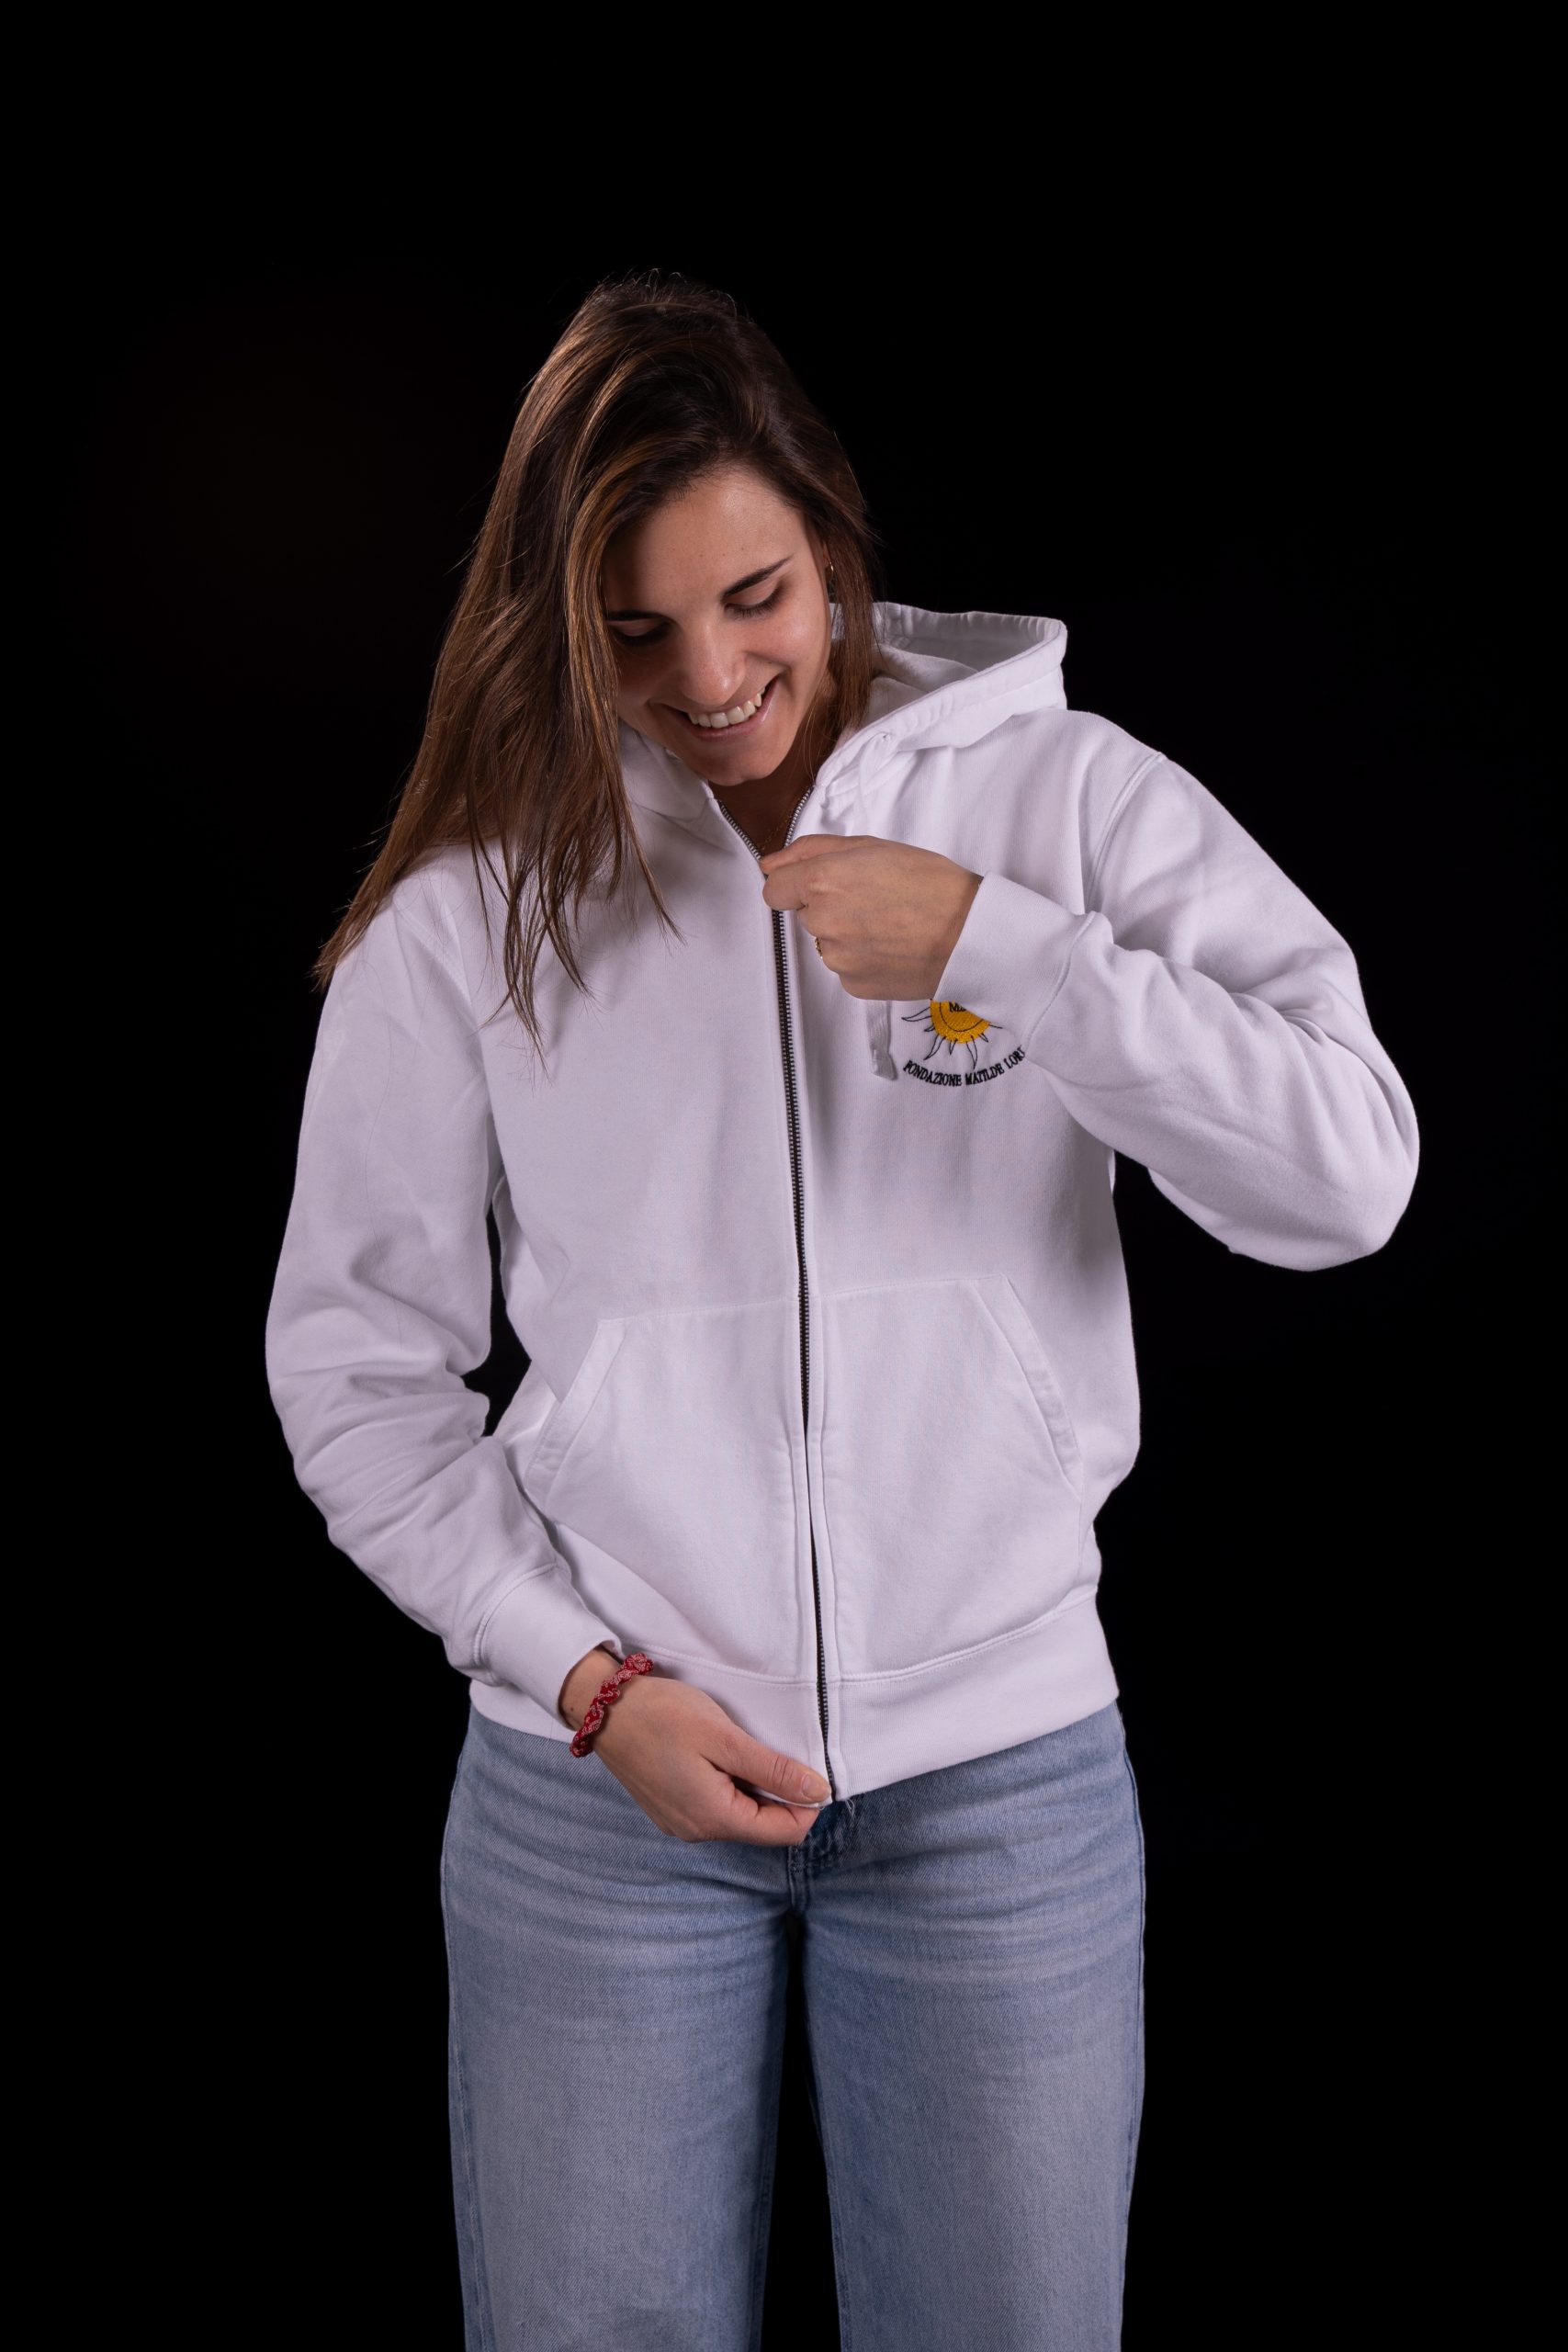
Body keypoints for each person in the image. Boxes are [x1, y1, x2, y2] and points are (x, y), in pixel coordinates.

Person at [265, 268, 1419, 2351]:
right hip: (597, 1801)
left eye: (756, 599)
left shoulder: (1061, 805)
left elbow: (1344, 1172)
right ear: (558, 621)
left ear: (831, 540)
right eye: (634, 632)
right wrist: (586, 1678)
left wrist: (1006, 946)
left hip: (997, 1783)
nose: (712, 679)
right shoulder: (477, 901)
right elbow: (354, 1369)